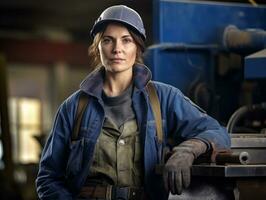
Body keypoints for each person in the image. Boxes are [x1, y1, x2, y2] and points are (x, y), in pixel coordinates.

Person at [36, 5, 230, 200]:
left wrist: (188, 151)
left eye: (126, 40)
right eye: (107, 40)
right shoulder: (73, 108)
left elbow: (216, 131)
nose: (117, 49)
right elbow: (47, 178)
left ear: (137, 48)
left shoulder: (163, 98)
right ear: (98, 48)